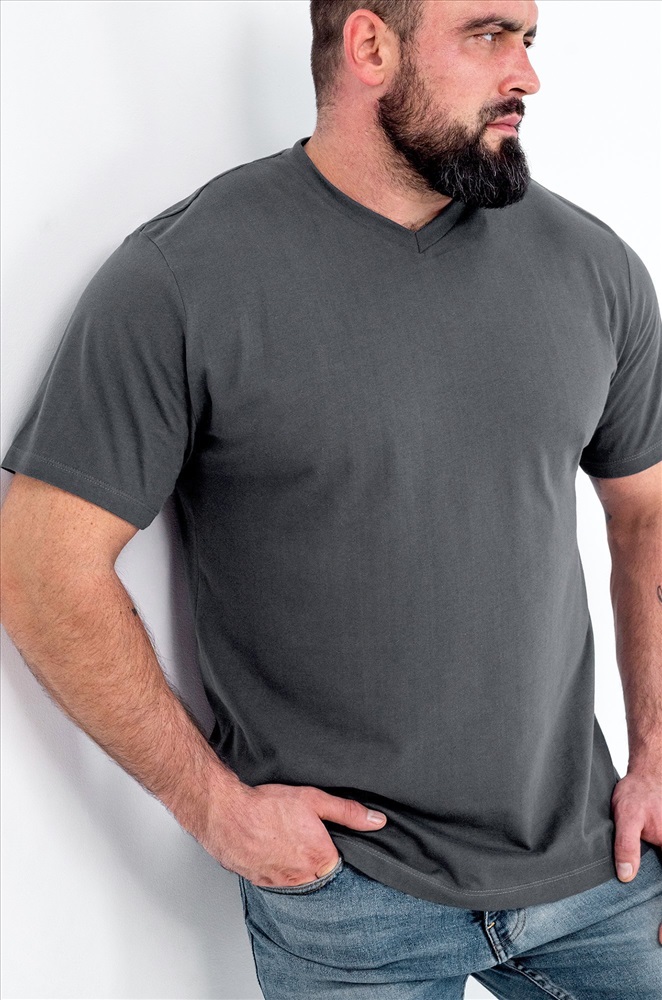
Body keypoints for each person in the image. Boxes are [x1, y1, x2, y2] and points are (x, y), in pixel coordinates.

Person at [1, 0, 661, 996]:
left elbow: (646, 509)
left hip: (595, 865)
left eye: (528, 41)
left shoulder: (593, 267)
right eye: (488, 35)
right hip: (352, 901)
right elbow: (40, 564)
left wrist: (655, 748)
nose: (526, 75)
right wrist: (214, 806)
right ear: (369, 46)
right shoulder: (183, 277)